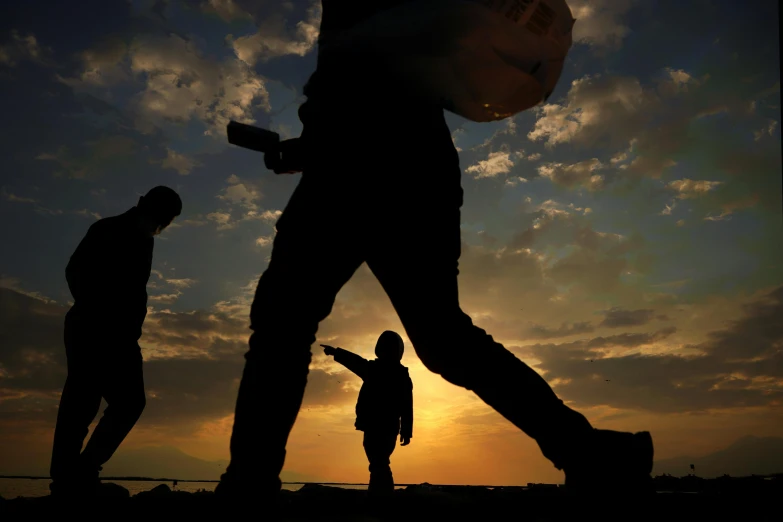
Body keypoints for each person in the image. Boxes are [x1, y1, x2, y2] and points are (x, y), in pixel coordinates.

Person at [216, 0, 654, 503]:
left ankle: (248, 486)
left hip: (361, 165)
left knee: (285, 325)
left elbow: (364, 82)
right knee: (440, 338)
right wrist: (307, 149)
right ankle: (593, 455)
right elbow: (375, 74)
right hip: (403, 162)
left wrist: (320, 147)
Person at [49, 186, 182, 497]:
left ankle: (81, 471)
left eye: (169, 220)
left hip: (122, 335)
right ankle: (69, 478)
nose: (164, 224)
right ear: (146, 206)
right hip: (92, 328)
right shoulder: (107, 229)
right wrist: (97, 309)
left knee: (127, 402)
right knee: (83, 402)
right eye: (164, 217)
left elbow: (134, 291)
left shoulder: (145, 239)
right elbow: (75, 271)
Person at [321, 331, 413, 495]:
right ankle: (379, 492)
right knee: (378, 461)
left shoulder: (388, 373)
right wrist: (336, 352)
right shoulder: (381, 370)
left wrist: (406, 430)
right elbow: (355, 362)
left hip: (383, 426)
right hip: (378, 425)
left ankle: (382, 494)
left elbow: (407, 406)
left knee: (379, 462)